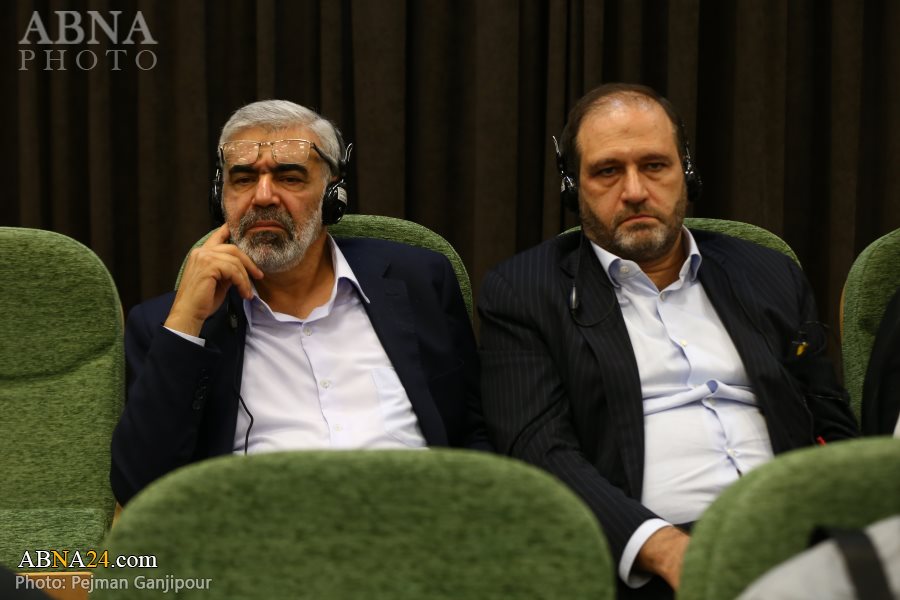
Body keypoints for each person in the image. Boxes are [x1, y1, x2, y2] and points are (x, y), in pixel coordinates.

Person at [478, 83, 858, 599]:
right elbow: (539, 450)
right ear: (572, 188)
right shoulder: (525, 292)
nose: (635, 190)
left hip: (800, 539)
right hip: (653, 558)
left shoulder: (768, 272)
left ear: (687, 173)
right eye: (608, 171)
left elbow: (831, 422)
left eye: (654, 165)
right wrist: (666, 549)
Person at [111, 100, 488, 506]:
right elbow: (139, 487)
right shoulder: (171, 326)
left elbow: (472, 433)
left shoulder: (420, 281)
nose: (263, 197)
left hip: (419, 523)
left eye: (289, 178)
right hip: (267, 535)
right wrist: (187, 320)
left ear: (333, 195)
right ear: (219, 196)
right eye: (243, 179)